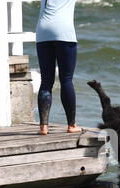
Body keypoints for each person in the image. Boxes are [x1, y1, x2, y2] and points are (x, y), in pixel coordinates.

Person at [35, 0, 82, 135]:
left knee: (46, 80)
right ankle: (71, 125)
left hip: (43, 31)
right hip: (64, 32)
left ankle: (43, 127)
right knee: (66, 79)